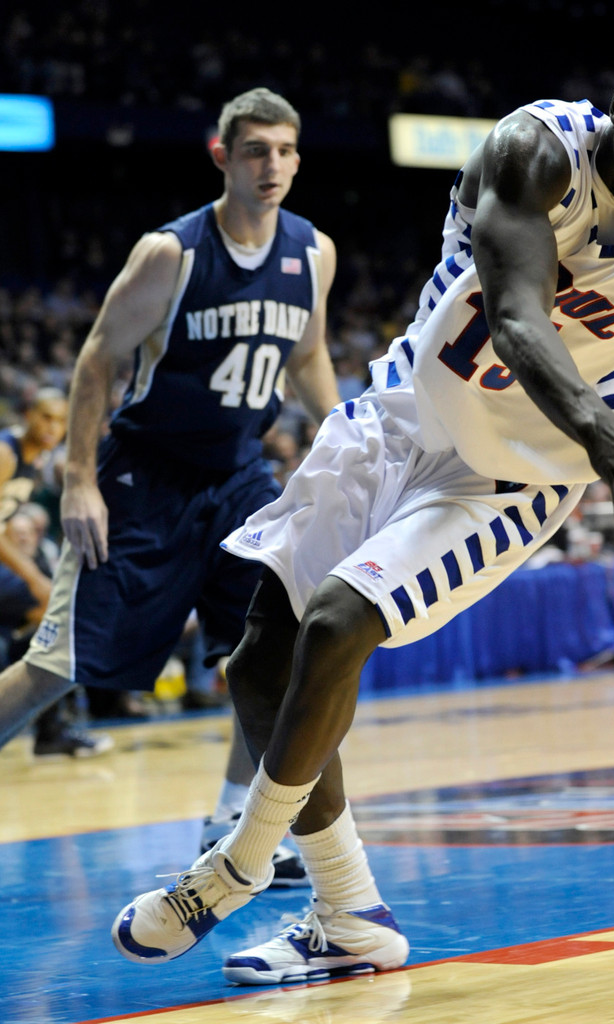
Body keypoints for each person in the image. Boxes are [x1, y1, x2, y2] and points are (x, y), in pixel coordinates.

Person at [112, 37, 614, 986]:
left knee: (339, 622)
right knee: (259, 663)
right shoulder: (536, 152)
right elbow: (515, 318)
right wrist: (606, 429)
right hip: (403, 413)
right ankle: (350, 917)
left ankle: (234, 867)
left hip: (516, 473)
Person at [0, 88, 340, 879]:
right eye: (255, 150)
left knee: (271, 653)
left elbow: (308, 354)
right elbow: (99, 355)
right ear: (221, 155)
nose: (272, 165)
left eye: (285, 150)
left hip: (238, 478)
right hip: (144, 479)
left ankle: (230, 825)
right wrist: (79, 479)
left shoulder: (313, 251)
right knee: (57, 666)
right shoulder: (173, 254)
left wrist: (340, 438)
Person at [0, 388, 111, 756]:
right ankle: (49, 730)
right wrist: (33, 577)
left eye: (61, 421)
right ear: (27, 415)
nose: (53, 427)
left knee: (51, 626)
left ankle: (49, 728)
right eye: (46, 417)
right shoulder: (5, 453)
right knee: (59, 622)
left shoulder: (35, 460)